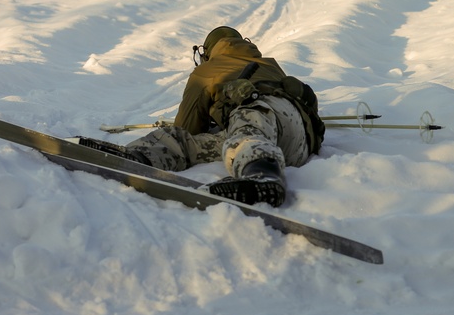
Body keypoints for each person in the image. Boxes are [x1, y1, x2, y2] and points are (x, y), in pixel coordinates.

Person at [83, 26, 324, 207]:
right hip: (295, 144)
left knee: (240, 123)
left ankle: (264, 178)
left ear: (207, 52)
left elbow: (188, 125)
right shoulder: (268, 63)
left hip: (260, 117)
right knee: (221, 142)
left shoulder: (209, 69)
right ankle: (138, 158)